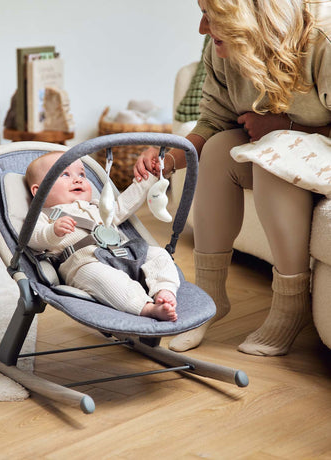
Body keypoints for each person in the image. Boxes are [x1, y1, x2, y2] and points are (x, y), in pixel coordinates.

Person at [134, 0, 331, 355]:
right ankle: (210, 297)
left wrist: (284, 127)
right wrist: (166, 158)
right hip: (282, 152)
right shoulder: (221, 52)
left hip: (317, 151)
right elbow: (211, 123)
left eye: (211, 16)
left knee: (271, 154)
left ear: (250, 16)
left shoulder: (322, 41)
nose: (201, 29)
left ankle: (291, 305)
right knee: (219, 149)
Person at [25, 151, 180, 321]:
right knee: (105, 279)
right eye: (65, 174)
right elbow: (33, 238)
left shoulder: (98, 206)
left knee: (159, 254)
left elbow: (125, 204)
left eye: (82, 174)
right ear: (39, 192)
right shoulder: (43, 216)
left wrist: (149, 178)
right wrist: (52, 232)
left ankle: (164, 290)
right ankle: (146, 307)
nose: (78, 179)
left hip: (126, 254)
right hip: (84, 263)